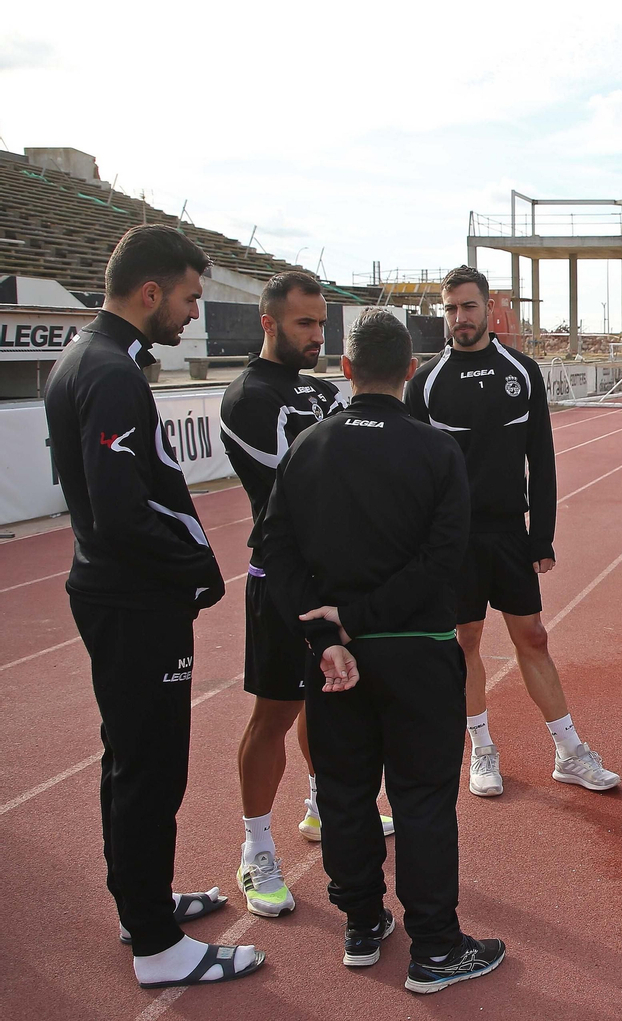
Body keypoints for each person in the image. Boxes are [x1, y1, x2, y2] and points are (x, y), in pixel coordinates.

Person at [259, 310, 505, 992]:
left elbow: (272, 550)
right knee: (423, 796)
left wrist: (326, 632)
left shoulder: (309, 446)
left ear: (344, 368)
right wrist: (357, 618)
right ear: (410, 371)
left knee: (343, 790)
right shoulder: (435, 451)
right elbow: (443, 561)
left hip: (335, 658)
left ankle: (362, 922)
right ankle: (434, 946)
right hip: (418, 653)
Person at [44, 224, 264, 988]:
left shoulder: (86, 357)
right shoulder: (107, 371)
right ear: (150, 292)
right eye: (188, 298)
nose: (192, 316)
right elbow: (119, 511)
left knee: (128, 758)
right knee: (150, 767)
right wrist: (192, 573)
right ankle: (156, 946)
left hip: (114, 592)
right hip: (134, 602)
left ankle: (140, 905)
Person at [220, 270, 396, 919]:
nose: (317, 335)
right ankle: (256, 848)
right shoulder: (247, 399)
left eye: (322, 324)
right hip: (280, 583)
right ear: (268, 323)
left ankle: (322, 807)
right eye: (304, 324)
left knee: (333, 705)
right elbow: (296, 491)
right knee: (274, 714)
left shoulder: (325, 391)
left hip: (336, 583)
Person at [405, 266, 618, 796]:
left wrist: (541, 535)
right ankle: (481, 749)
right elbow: (411, 470)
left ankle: (569, 751)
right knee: (466, 640)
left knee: (534, 637)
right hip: (453, 540)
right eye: (450, 309)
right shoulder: (425, 382)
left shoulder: (520, 371)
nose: (459, 318)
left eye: (468, 307)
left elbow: (541, 459)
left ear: (488, 310)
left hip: (508, 532)